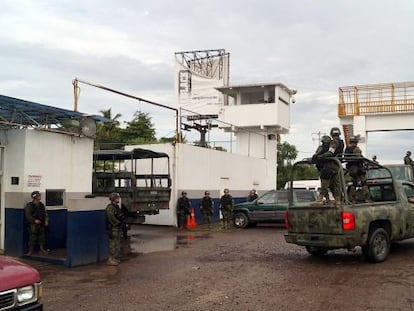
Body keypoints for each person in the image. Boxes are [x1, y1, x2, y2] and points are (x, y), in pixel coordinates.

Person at [312, 127, 344, 206]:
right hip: (336, 165)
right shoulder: (341, 142)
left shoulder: (334, 142)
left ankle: (319, 200)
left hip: (330, 165)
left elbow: (330, 152)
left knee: (325, 183)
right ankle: (338, 201)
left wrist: (320, 156)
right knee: (336, 184)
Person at [344, 135, 371, 203]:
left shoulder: (347, 149)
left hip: (351, 168)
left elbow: (346, 158)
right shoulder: (356, 149)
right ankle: (367, 198)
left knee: (354, 183)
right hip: (357, 167)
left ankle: (352, 198)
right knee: (363, 183)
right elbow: (359, 158)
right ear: (356, 142)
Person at [24, 191, 49, 255]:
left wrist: (46, 220)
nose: (40, 196)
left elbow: (45, 213)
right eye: (38, 195)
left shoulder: (41, 205)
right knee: (32, 236)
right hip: (33, 224)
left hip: (41, 223)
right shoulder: (29, 205)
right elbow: (28, 215)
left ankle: (42, 249)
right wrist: (34, 220)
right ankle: (30, 251)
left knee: (42, 236)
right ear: (34, 197)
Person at [311, 135, 332, 203]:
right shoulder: (321, 148)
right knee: (325, 184)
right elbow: (316, 155)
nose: (325, 143)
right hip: (323, 168)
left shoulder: (329, 149)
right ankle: (327, 198)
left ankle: (325, 198)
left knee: (327, 185)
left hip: (328, 168)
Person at [106, 192, 124, 266]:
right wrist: (118, 223)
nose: (118, 199)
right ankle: (110, 259)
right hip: (113, 228)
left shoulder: (116, 207)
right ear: (113, 199)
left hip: (117, 228)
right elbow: (111, 217)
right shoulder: (110, 207)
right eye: (117, 198)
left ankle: (113, 258)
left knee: (116, 243)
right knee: (112, 244)